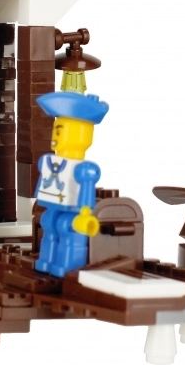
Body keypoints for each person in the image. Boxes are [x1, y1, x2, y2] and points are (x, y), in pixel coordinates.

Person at [33, 91, 109, 277]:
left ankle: (66, 265)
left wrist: (85, 213)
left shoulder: (84, 168)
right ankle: (46, 261)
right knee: (49, 226)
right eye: (55, 130)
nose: (55, 135)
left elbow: (87, 189)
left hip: (72, 211)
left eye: (60, 131)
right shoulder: (48, 161)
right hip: (53, 207)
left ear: (80, 135)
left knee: (68, 231)